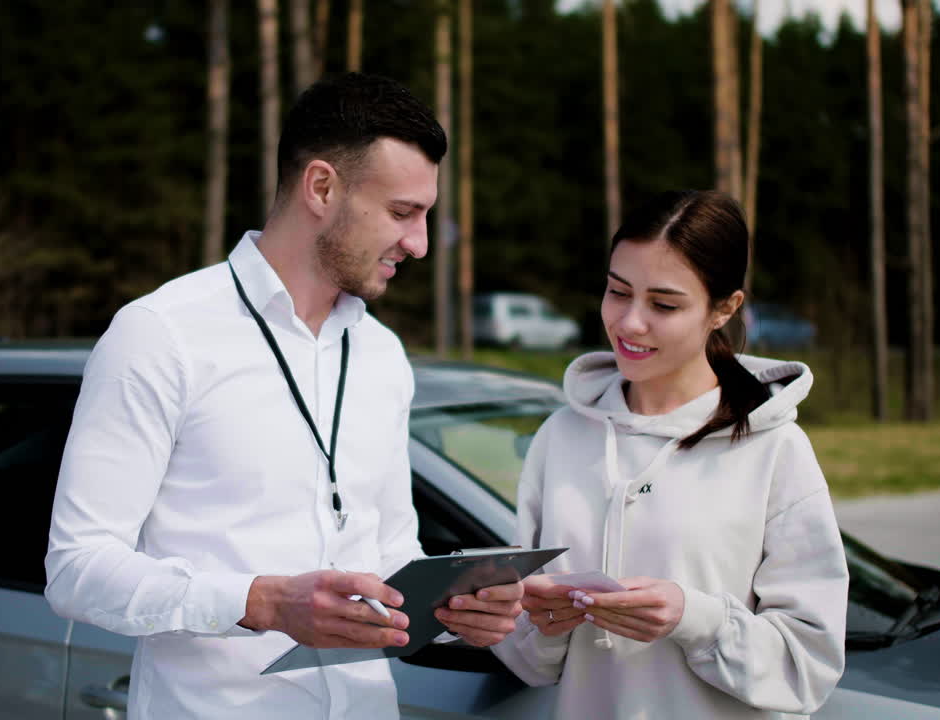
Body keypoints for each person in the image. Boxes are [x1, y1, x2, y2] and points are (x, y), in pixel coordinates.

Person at [44, 73, 522, 720]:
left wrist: (452, 608)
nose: (420, 244)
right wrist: (262, 603)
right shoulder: (160, 334)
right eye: (403, 213)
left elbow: (388, 559)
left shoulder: (383, 356)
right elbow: (77, 570)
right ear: (321, 187)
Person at [491, 190, 848, 719]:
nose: (630, 323)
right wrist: (543, 623)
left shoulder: (775, 448)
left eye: (664, 304)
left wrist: (693, 617)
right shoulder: (562, 436)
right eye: (617, 292)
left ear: (723, 308)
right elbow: (530, 661)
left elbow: (807, 667)